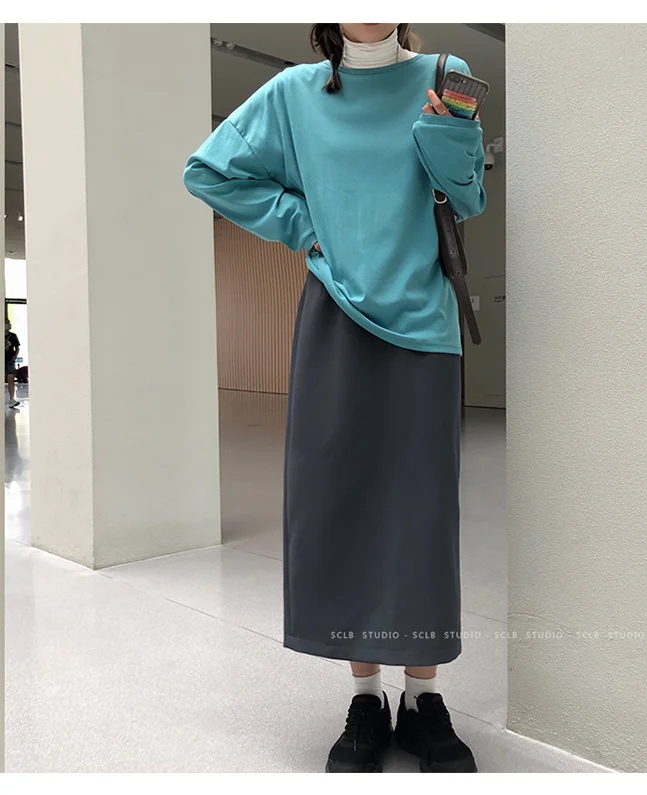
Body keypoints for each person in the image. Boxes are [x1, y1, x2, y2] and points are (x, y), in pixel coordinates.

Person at [184, 22, 486, 774]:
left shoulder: (444, 72)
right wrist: (300, 224)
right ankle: (365, 696)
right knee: (341, 504)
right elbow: (209, 171)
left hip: (424, 326)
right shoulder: (294, 93)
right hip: (336, 319)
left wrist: (445, 134)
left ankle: (423, 698)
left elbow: (469, 199)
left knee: (421, 515)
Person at [5, 320, 21, 409]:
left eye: (8, 323)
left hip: (10, 360)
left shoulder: (13, 336)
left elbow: (17, 347)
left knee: (11, 379)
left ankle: (12, 400)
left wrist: (15, 356)